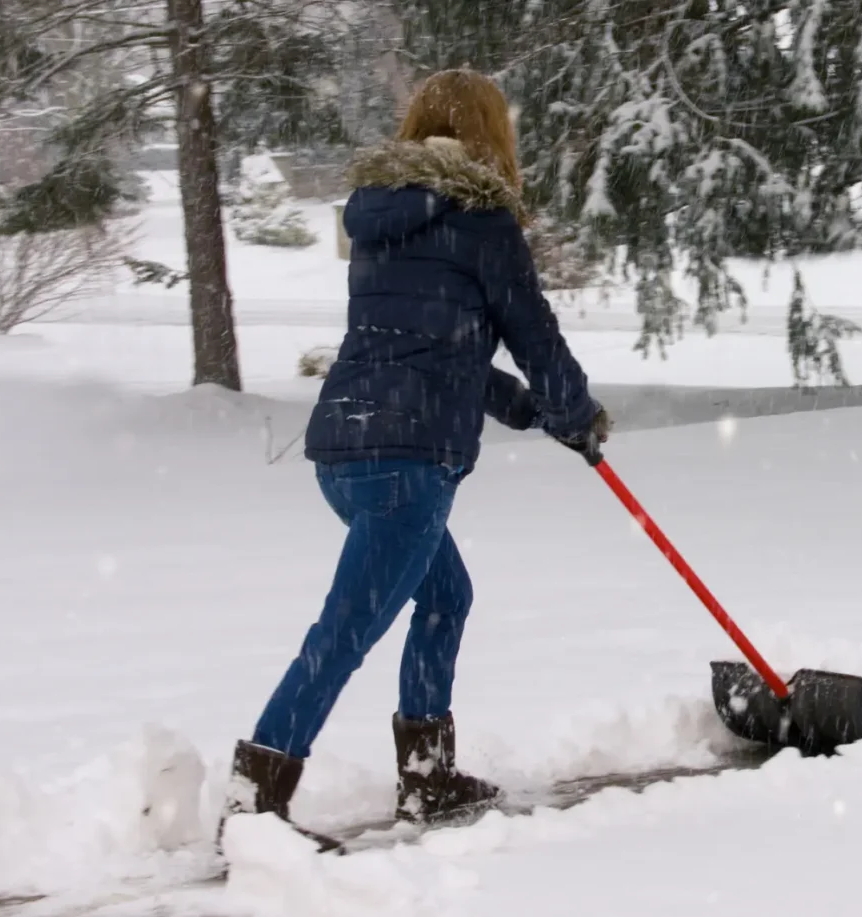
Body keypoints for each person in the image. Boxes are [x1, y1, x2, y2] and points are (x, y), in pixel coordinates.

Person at [218, 68, 611, 851]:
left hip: (346, 446)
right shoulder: (483, 220)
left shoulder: (380, 219)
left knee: (444, 596)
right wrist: (577, 413)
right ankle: (253, 805)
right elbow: (534, 336)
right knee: (346, 629)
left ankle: (429, 775)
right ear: (492, 135)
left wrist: (532, 411)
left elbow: (434, 344)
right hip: (408, 460)